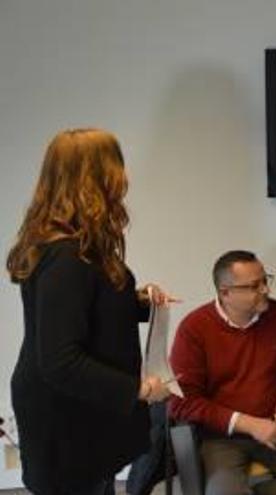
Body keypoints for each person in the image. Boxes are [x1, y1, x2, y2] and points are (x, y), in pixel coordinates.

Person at [6, 129, 173, 495]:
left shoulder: (76, 245)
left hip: (81, 412)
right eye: (117, 167)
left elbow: (87, 310)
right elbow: (60, 360)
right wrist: (140, 389)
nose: (124, 179)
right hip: (65, 418)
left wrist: (137, 301)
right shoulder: (65, 257)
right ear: (95, 178)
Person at [169, 250, 276, 495]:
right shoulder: (194, 328)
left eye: (265, 280)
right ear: (225, 293)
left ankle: (261, 486)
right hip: (222, 437)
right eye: (255, 286)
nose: (265, 290)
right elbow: (182, 403)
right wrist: (249, 424)